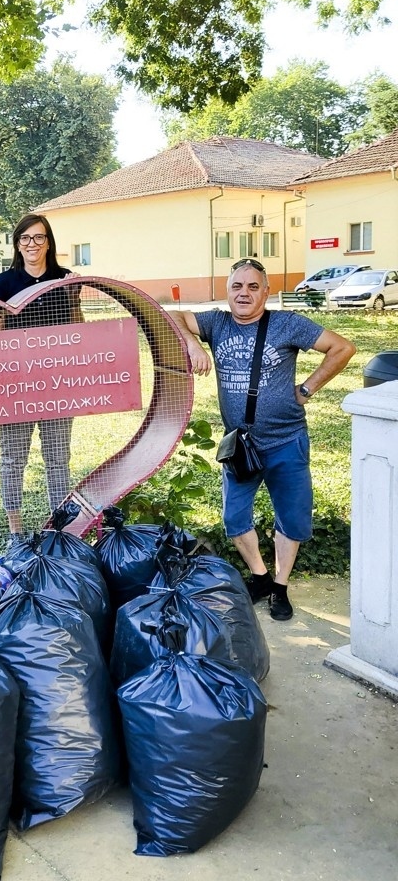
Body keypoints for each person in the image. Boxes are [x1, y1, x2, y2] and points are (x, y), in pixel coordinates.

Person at [169, 257, 356, 621]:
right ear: (226, 292)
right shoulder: (216, 322)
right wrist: (193, 345)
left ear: (266, 292)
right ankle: (260, 576)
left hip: (287, 440)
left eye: (253, 287)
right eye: (237, 286)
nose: (244, 293)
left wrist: (307, 388)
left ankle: (281, 587)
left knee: (292, 518)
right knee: (234, 517)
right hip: (241, 444)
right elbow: (171, 316)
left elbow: (343, 348)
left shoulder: (287, 324)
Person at [0, 214, 83, 547]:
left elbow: (78, 332)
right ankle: (15, 530)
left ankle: (57, 527)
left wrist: (75, 298)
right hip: (16, 385)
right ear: (17, 244)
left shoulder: (64, 279)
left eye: (39, 238)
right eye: (25, 238)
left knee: (58, 458)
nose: (32, 244)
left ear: (49, 242)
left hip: (57, 385)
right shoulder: (3, 283)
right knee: (13, 458)